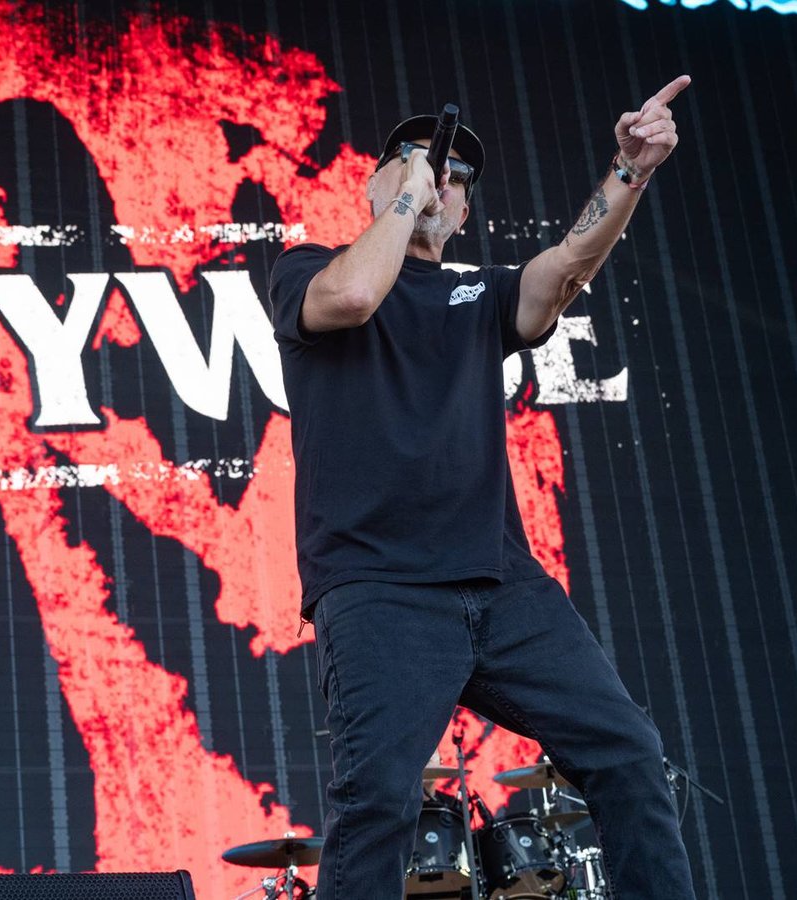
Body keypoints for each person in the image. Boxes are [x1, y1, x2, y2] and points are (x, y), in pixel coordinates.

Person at [266, 76, 695, 899]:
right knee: (377, 804)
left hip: (501, 587)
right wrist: (408, 198)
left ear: (464, 213)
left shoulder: (480, 294)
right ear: (374, 183)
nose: (440, 180)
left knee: (629, 753)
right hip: (380, 589)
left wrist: (630, 171)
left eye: (457, 179)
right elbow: (354, 296)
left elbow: (565, 268)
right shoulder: (305, 270)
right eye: (419, 161)